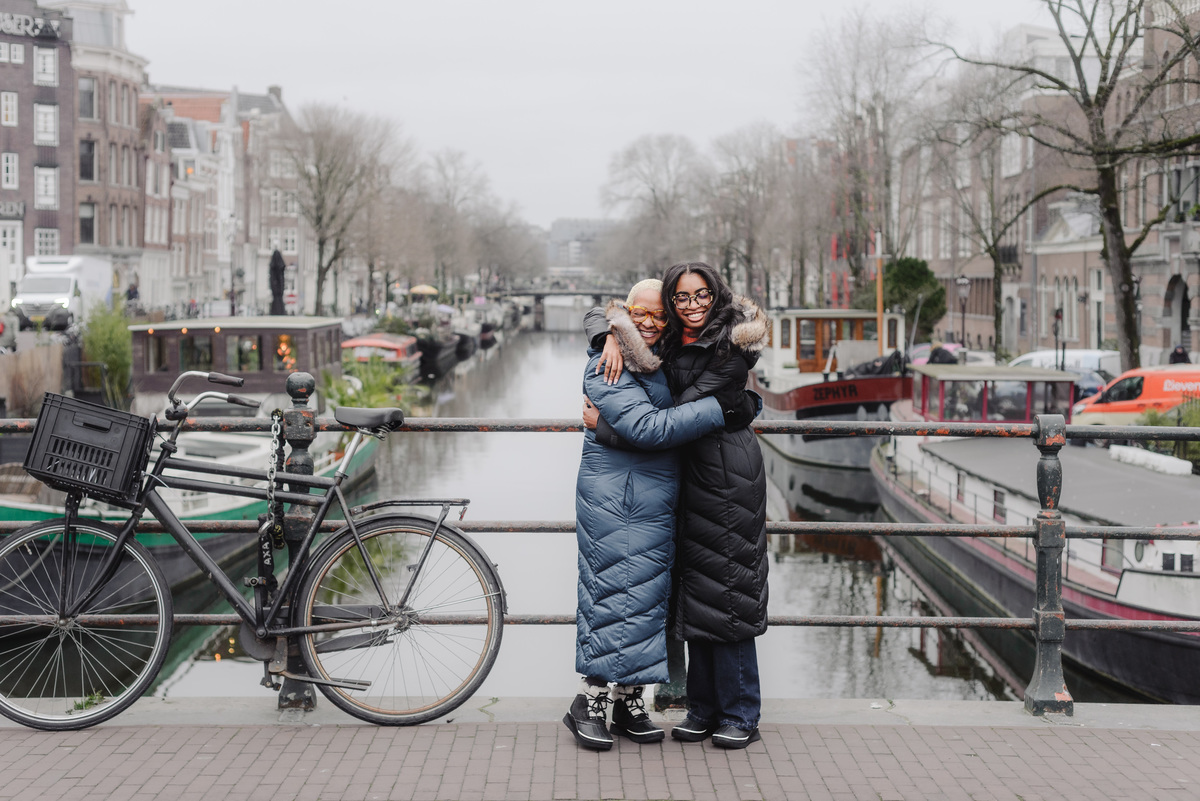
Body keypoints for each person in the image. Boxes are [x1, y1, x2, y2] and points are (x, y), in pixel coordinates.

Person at [585, 262, 770, 750]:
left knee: (727, 589)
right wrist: (609, 334)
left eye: (701, 295)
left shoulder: (731, 342)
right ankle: (703, 708)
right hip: (684, 473)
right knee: (696, 590)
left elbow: (677, 410)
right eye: (681, 299)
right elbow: (615, 316)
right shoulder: (667, 338)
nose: (691, 305)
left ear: (717, 294)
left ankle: (740, 713)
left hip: (726, 476)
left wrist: (605, 424)